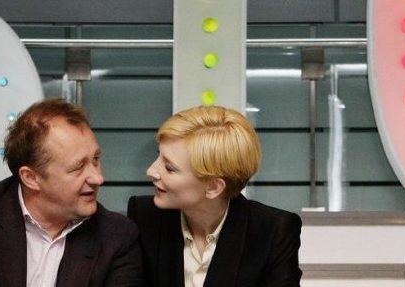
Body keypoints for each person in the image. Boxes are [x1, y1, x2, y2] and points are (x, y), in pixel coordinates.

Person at [0, 98, 143, 287]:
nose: (98, 178)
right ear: (31, 178)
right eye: (78, 167)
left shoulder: (117, 236)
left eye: (96, 160)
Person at [128, 105, 303, 287]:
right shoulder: (144, 216)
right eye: (158, 157)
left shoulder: (272, 231)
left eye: (169, 168)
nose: (151, 171)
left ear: (213, 187)